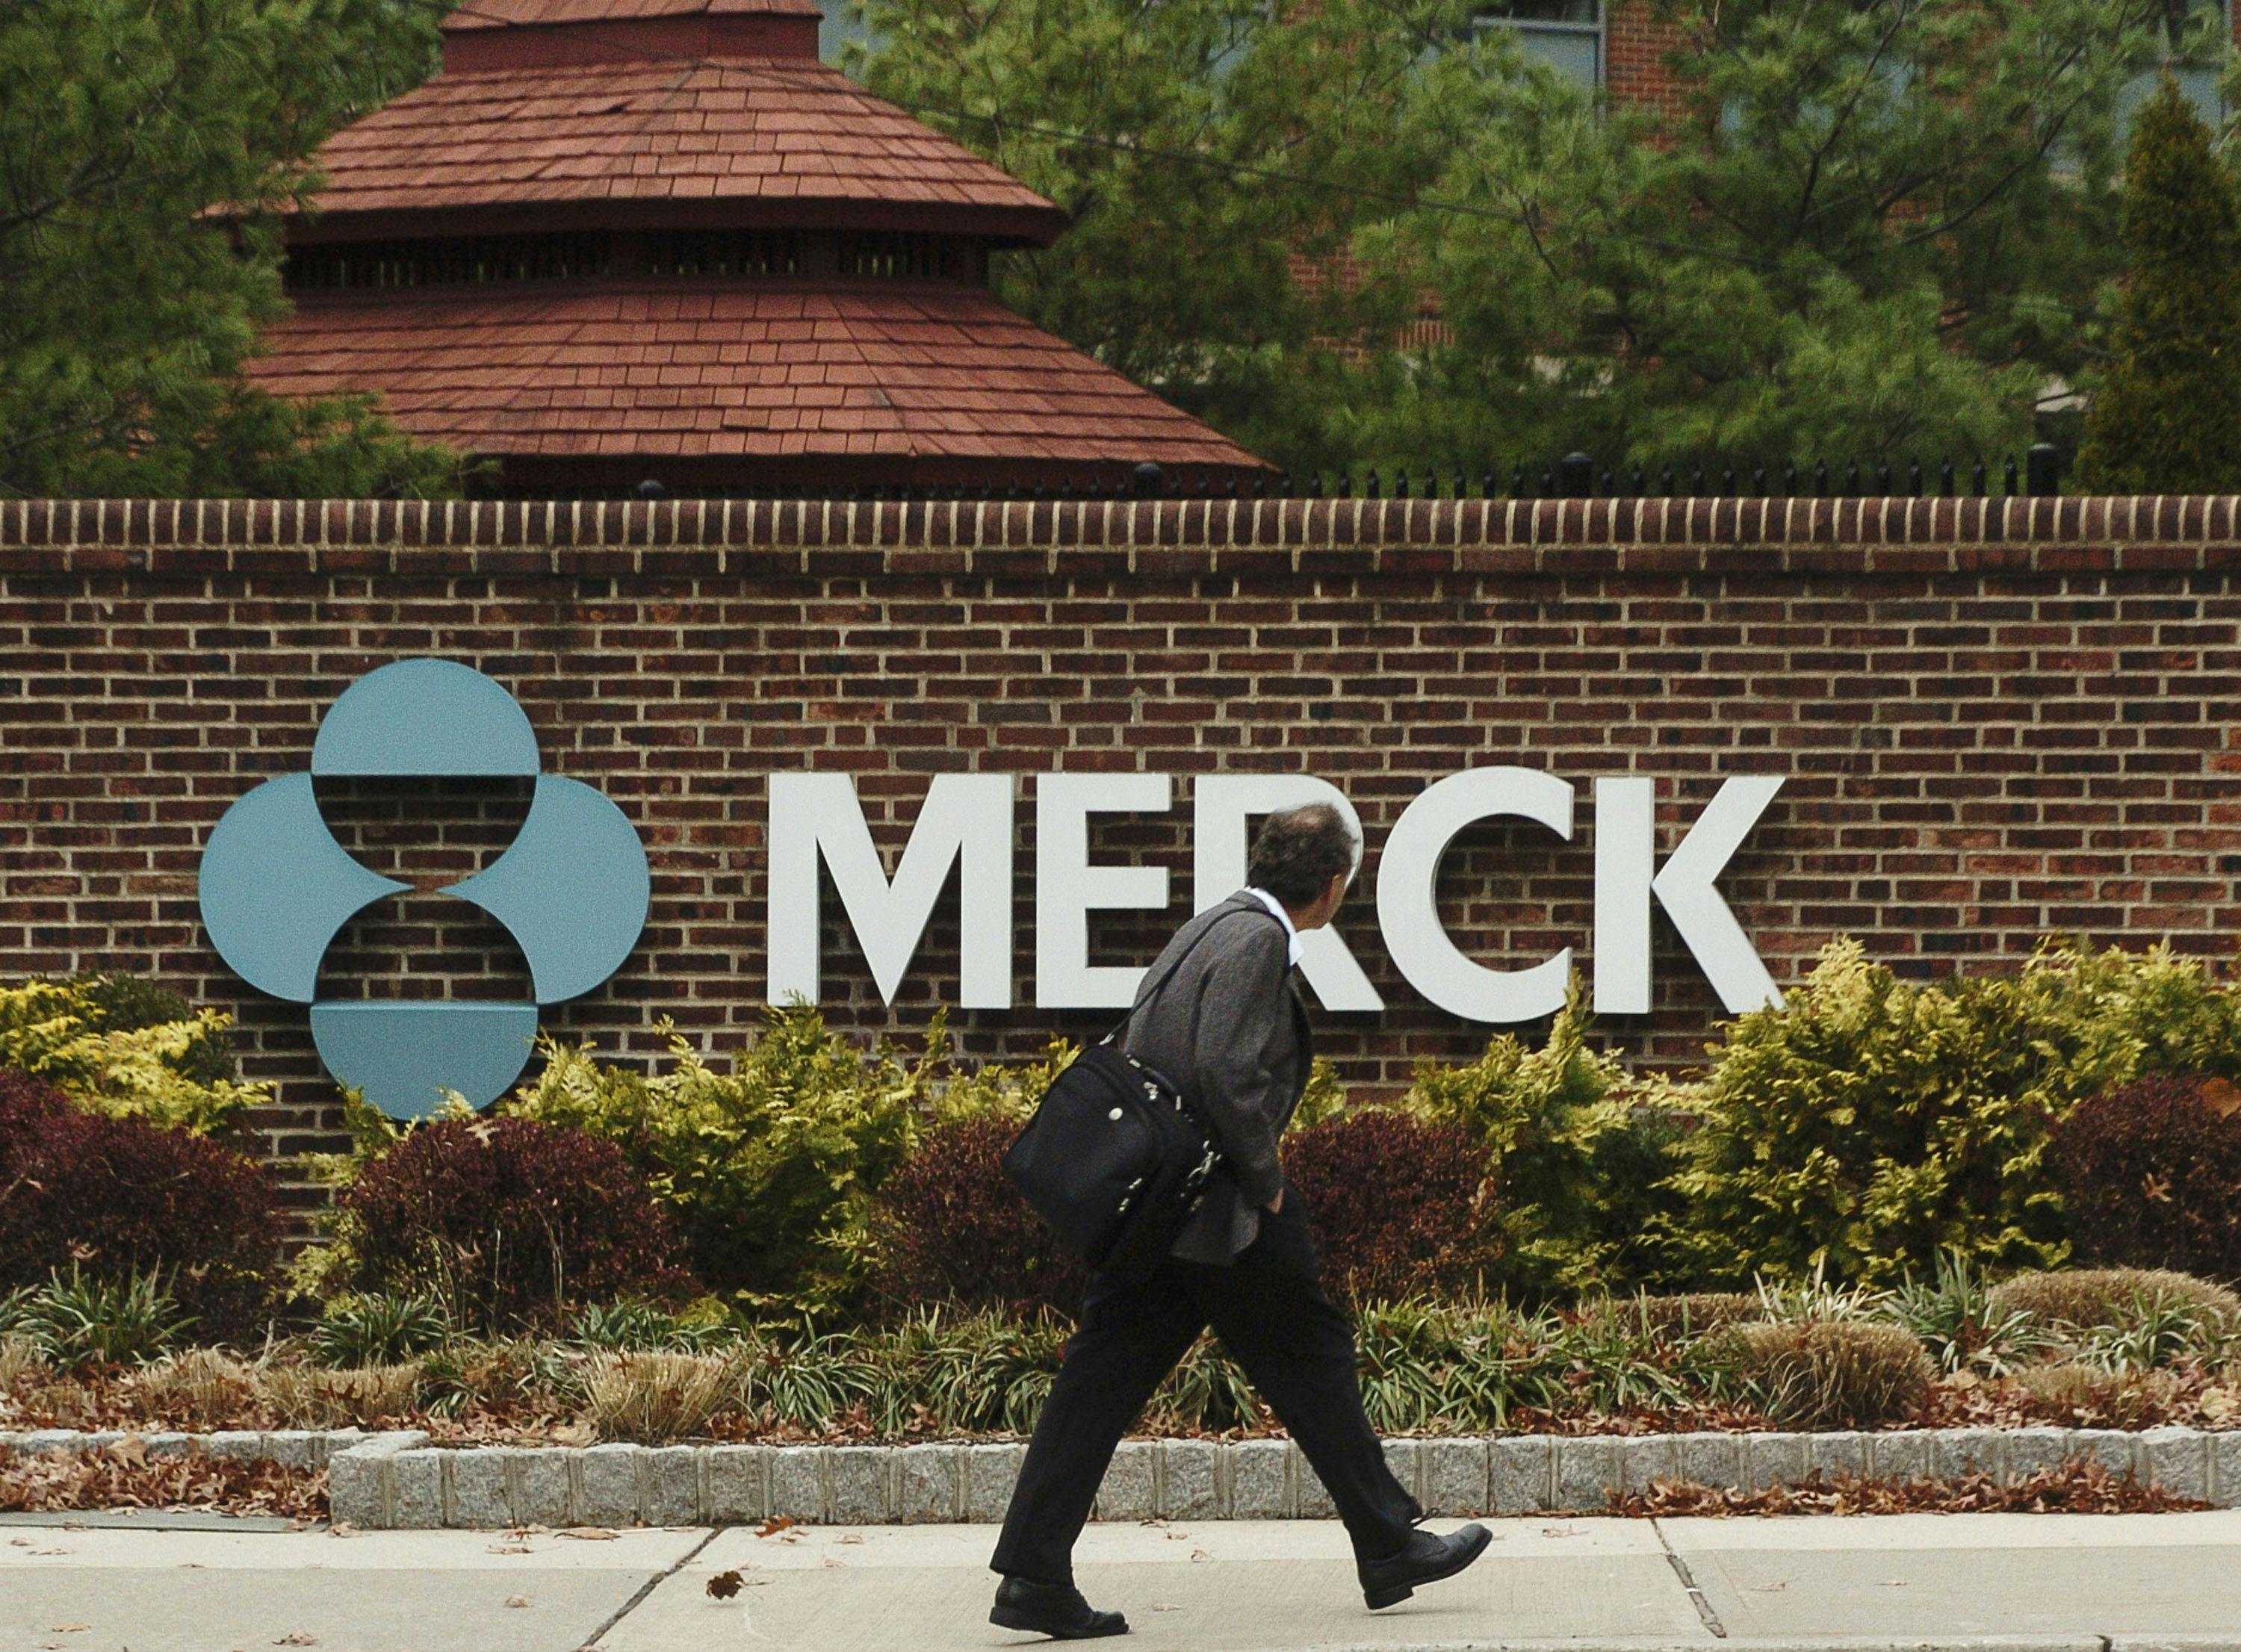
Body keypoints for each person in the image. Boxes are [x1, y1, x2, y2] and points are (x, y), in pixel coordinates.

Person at [989, 803, 1491, 1641]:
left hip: (1160, 1214)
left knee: (1101, 1384)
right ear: (1332, 887)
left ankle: (1033, 1573)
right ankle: (1389, 1542)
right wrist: (1267, 1183)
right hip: (1221, 1214)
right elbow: (1225, 1070)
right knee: (1314, 1357)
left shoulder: (1212, 922)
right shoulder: (1258, 942)